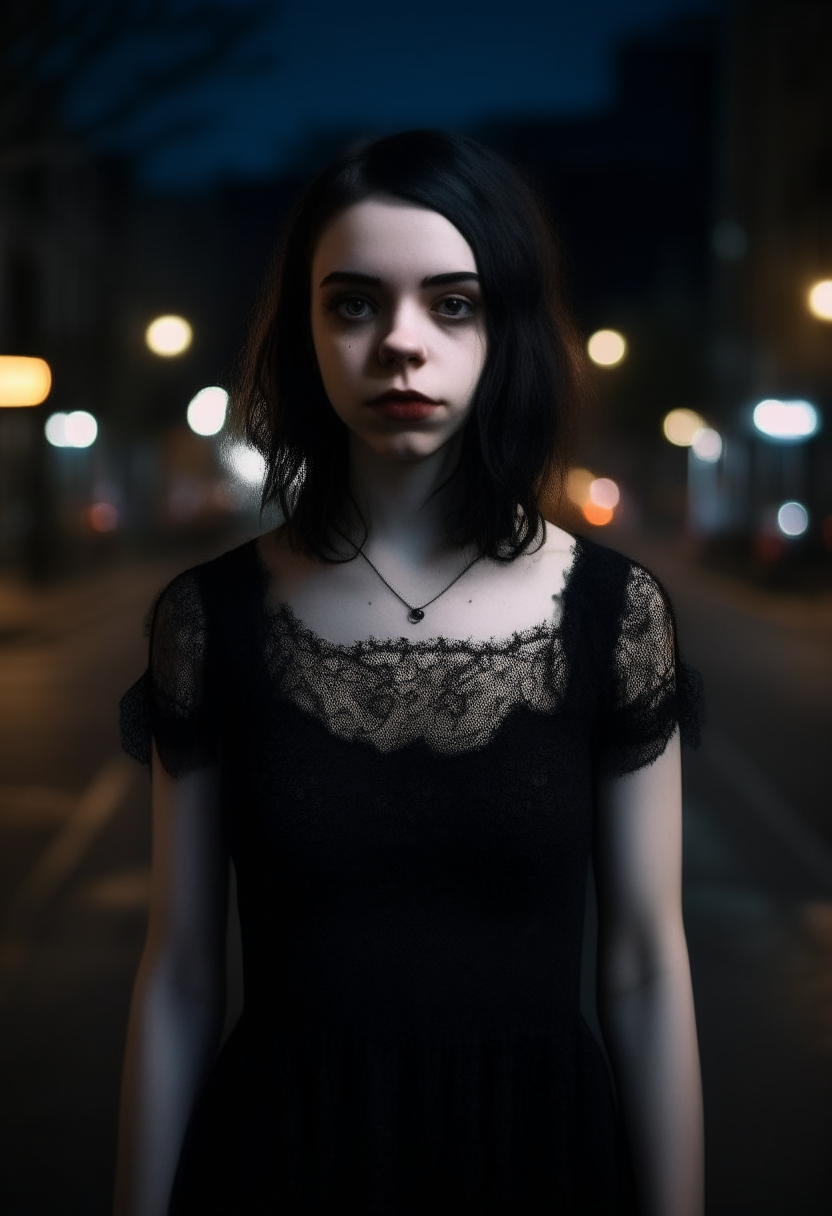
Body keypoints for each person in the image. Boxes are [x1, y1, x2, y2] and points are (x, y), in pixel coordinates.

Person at [114, 129, 704, 1216]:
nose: (400, 344)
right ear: (305, 333)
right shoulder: (209, 620)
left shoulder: (617, 615)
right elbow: (183, 973)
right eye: (352, 304)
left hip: (539, 1161)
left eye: (453, 303)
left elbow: (644, 965)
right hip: (279, 1160)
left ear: (506, 330)